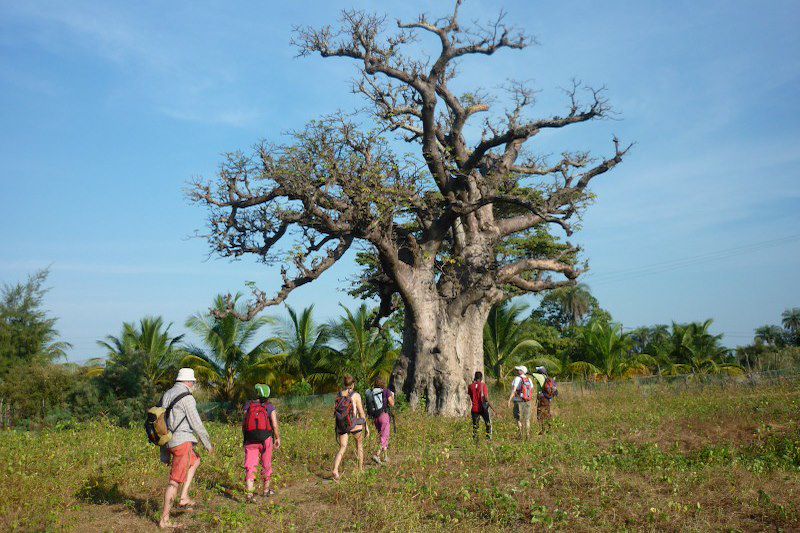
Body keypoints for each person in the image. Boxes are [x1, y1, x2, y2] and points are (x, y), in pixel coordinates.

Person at [159, 368, 213, 529]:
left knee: (196, 460)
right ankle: (165, 520)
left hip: (169, 441)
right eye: (194, 382)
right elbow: (197, 423)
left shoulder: (167, 394)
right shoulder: (187, 398)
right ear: (189, 382)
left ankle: (183, 497)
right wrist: (208, 444)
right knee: (174, 481)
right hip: (182, 442)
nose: (194, 385)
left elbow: (162, 423)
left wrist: (164, 453)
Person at [242, 384, 281, 502]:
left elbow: (244, 424)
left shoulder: (248, 405)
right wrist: (277, 438)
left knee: (250, 465)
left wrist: (245, 438)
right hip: (266, 440)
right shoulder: (269, 407)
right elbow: (274, 424)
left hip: (250, 439)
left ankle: (249, 493)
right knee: (266, 463)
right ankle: (266, 490)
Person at [332, 374, 369, 481]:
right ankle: (360, 469)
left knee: (342, 447)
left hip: (342, 425)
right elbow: (361, 412)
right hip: (354, 424)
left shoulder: (339, 395)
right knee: (359, 445)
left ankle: (335, 469)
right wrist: (366, 427)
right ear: (353, 384)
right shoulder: (356, 395)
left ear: (344, 384)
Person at [365, 377, 395, 465]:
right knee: (384, 436)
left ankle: (385, 456)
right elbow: (392, 404)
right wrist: (392, 396)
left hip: (375, 418)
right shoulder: (386, 391)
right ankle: (377, 454)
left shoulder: (372, 392)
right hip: (384, 416)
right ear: (383, 383)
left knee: (382, 435)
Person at [507, 365, 534, 440]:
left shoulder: (517, 378)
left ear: (521, 371)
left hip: (518, 401)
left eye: (519, 370)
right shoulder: (529, 379)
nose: (517, 371)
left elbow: (514, 390)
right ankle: (528, 435)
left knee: (518, 418)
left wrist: (509, 400)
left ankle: (520, 435)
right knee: (527, 419)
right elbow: (531, 390)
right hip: (527, 401)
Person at [468, 371, 492, 441]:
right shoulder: (483, 385)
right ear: (481, 378)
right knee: (488, 423)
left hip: (474, 409)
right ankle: (488, 439)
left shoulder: (470, 386)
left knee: (475, 426)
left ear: (475, 377)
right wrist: (493, 408)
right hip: (482, 408)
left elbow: (471, 396)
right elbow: (486, 398)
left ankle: (475, 441)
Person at [534, 366, 557, 433]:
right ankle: (549, 429)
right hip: (548, 398)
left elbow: (528, 373)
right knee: (547, 414)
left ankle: (542, 430)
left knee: (540, 414)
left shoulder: (539, 376)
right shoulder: (547, 377)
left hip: (542, 399)